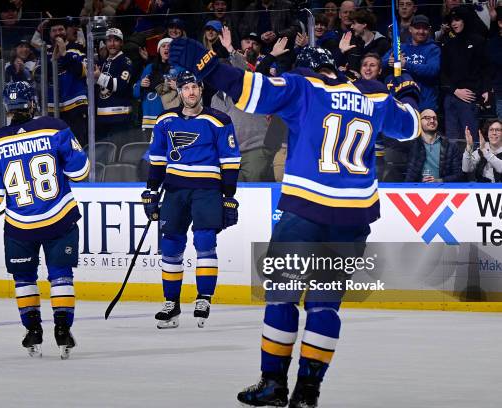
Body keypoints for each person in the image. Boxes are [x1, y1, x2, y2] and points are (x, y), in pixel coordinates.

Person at [169, 39, 420, 407]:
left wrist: (206, 63)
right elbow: (411, 126)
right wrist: (408, 91)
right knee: (324, 307)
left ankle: (273, 383)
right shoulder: (375, 98)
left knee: (281, 297)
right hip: (354, 219)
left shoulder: (304, 87)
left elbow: (248, 90)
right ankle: (307, 393)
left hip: (305, 212)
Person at [0, 81, 90, 359]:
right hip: (60, 220)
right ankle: (63, 331)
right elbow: (80, 173)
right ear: (33, 103)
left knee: (24, 279)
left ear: (7, 108)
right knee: (61, 276)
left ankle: (32, 332)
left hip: (19, 225)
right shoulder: (55, 128)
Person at [141, 71, 241, 329]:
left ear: (201, 89)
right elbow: (158, 158)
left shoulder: (218, 120)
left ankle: (204, 298)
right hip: (175, 190)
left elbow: (230, 160)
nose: (191, 92)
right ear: (180, 91)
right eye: (186, 88)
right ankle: (171, 303)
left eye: (194, 87)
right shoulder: (165, 120)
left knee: (205, 240)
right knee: (171, 244)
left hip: (207, 190)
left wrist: (228, 196)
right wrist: (151, 190)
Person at [441, 5, 490, 140]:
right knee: (452, 140)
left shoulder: (478, 41)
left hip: (469, 98)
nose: (453, 23)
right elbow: (442, 73)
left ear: (466, 20)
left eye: (457, 19)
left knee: (470, 140)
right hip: (451, 97)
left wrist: (485, 89)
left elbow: (485, 68)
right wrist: (455, 90)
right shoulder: (448, 44)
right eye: (451, 20)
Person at [43, 18, 89, 147]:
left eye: (61, 29)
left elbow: (84, 71)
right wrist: (53, 60)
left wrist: (64, 54)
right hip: (53, 107)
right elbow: (38, 75)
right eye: (54, 30)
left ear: (66, 31)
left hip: (75, 105)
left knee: (79, 145)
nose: (58, 33)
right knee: (56, 147)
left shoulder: (77, 49)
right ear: (49, 34)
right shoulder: (45, 53)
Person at [383, 15, 441, 111]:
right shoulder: (400, 47)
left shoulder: (433, 49)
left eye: (425, 28)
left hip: (425, 104)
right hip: (401, 102)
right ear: (410, 29)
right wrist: (388, 61)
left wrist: (406, 65)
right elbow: (379, 63)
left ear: (429, 30)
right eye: (417, 28)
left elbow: (433, 70)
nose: (421, 31)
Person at [94, 28, 134, 143]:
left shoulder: (125, 62)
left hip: (119, 117)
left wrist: (99, 77)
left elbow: (121, 86)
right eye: (109, 40)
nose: (112, 44)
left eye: (115, 40)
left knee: (118, 155)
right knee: (103, 155)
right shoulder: (103, 63)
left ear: (121, 43)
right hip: (102, 117)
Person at [404, 109, 463, 182]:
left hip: (443, 189)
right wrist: (420, 181)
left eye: (434, 118)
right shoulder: (411, 144)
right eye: (427, 118)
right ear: (419, 121)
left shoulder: (451, 146)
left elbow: (458, 175)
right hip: (417, 189)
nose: (432, 121)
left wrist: (438, 181)